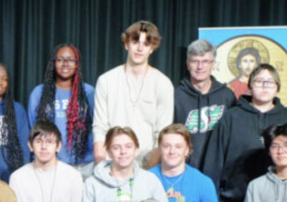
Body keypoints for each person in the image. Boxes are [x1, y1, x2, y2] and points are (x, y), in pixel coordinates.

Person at [203, 64, 287, 202]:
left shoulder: (285, 118)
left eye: (270, 82)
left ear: (277, 87)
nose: (264, 86)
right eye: (259, 81)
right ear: (250, 86)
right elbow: (213, 164)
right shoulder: (230, 117)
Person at [93, 21, 174, 166]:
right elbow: (99, 129)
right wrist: (101, 168)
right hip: (112, 165)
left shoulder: (163, 83)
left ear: (152, 49)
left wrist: (151, 172)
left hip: (148, 164)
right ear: (126, 44)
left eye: (146, 44)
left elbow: (163, 134)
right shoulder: (106, 80)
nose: (140, 48)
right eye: (135, 42)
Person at [10, 121, 84, 202]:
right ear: (30, 145)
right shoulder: (18, 178)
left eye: (50, 141)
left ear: (58, 146)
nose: (44, 147)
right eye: (38, 141)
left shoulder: (73, 176)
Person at [28, 44, 95, 178]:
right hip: (50, 163)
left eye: (70, 59)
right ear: (53, 63)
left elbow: (98, 127)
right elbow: (32, 130)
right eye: (60, 59)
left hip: (85, 165)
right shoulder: (39, 93)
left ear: (77, 64)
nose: (65, 64)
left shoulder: (89, 92)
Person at [173, 39, 236, 168]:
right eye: (195, 61)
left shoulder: (227, 96)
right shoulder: (176, 96)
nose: (200, 67)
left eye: (205, 61)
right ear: (188, 64)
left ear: (213, 64)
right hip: (185, 169)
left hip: (219, 170)